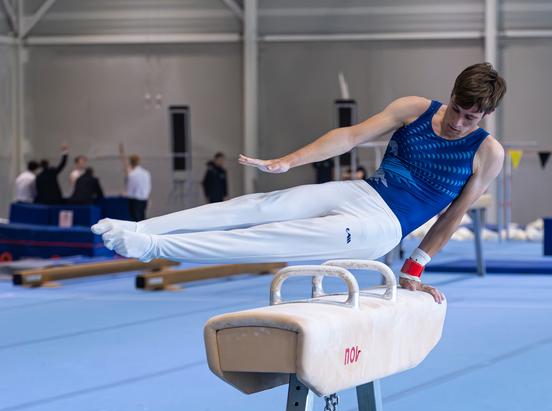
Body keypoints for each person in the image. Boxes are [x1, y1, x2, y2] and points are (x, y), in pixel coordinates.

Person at [93, 63, 506, 303]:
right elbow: (349, 136)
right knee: (262, 205)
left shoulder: (487, 154)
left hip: (383, 227)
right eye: (455, 109)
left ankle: (154, 248)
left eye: (469, 118)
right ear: (450, 95)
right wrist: (289, 160)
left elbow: (454, 214)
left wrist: (413, 267)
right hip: (362, 191)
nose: (456, 122)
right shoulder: (416, 108)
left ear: (484, 116)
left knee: (275, 236)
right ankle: (143, 228)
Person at [119, 143, 151, 221]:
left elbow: (130, 191)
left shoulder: (132, 175)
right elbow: (148, 187)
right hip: (144, 199)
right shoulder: (146, 173)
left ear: (131, 162)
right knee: (142, 219)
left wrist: (124, 194)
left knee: (136, 220)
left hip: (135, 201)